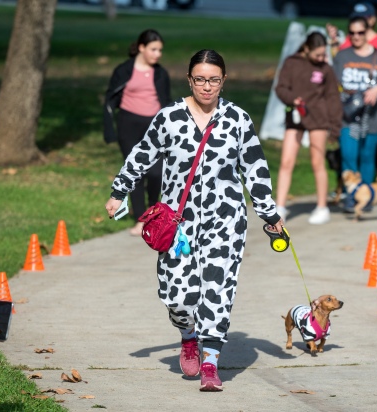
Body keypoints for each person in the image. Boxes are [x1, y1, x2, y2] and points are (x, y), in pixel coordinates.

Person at [105, 50, 284, 391]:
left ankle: (210, 365)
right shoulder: (170, 117)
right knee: (178, 296)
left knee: (218, 291)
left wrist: (269, 213)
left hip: (226, 221)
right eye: (200, 79)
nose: (206, 86)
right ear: (189, 80)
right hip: (178, 225)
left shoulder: (237, 119)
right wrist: (119, 191)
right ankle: (188, 335)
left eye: (213, 80)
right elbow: (142, 154)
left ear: (223, 81)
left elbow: (255, 170)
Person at [103, 29, 172, 236]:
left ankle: (153, 210)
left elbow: (167, 103)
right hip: (128, 124)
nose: (157, 54)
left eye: (160, 50)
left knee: (156, 172)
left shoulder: (161, 73)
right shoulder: (124, 70)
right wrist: (109, 130)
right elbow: (109, 99)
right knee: (135, 174)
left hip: (154, 127)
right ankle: (142, 220)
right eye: (153, 49)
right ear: (141, 48)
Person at [274, 31, 343, 224]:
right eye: (318, 54)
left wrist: (335, 125)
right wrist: (292, 100)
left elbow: (332, 98)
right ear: (306, 48)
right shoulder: (291, 63)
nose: (322, 58)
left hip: (318, 118)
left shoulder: (326, 69)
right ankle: (279, 207)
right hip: (295, 117)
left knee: (317, 162)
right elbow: (281, 88)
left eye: (324, 54)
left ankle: (322, 207)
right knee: (286, 161)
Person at [334, 15, 377, 213]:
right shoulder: (342, 56)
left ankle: (366, 196)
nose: (356, 37)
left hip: (372, 114)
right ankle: (351, 197)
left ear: (368, 32)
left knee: (367, 156)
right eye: (352, 33)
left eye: (360, 32)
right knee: (349, 155)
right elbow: (334, 82)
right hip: (349, 114)